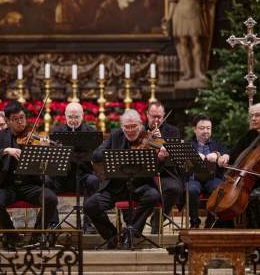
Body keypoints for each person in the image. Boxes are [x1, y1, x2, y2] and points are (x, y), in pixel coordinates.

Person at [84, 109, 162, 249]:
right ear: (121, 127)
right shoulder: (115, 136)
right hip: (116, 187)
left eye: (134, 126)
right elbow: (96, 155)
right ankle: (112, 235)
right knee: (90, 205)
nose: (131, 130)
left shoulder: (150, 138)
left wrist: (161, 155)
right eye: (127, 127)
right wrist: (112, 155)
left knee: (153, 195)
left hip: (140, 186)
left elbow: (160, 166)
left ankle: (131, 232)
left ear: (140, 125)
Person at [0, 101, 58, 247]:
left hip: (29, 185)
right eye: (15, 119)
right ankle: (12, 236)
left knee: (50, 198)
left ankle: (36, 236)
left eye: (22, 118)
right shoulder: (0, 137)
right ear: (7, 121)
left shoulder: (34, 136)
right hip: (7, 186)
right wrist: (6, 151)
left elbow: (47, 167)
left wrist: (44, 150)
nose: (20, 122)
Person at [48, 102, 99, 233]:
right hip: (62, 177)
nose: (73, 120)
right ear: (65, 116)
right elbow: (52, 162)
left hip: (83, 175)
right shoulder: (56, 132)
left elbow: (97, 156)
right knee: (46, 182)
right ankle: (53, 223)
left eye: (76, 117)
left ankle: (88, 223)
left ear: (82, 116)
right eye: (70, 117)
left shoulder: (91, 132)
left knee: (93, 180)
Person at [218, 103, 260, 228]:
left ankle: (255, 235)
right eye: (251, 116)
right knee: (222, 196)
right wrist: (226, 156)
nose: (253, 119)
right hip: (247, 181)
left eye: (257, 116)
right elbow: (234, 151)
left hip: (256, 182)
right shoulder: (250, 135)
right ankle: (224, 233)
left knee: (254, 197)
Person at [145, 101, 184, 234]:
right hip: (143, 173)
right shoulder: (138, 130)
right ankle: (133, 227)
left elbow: (175, 159)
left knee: (174, 189)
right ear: (147, 115)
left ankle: (158, 219)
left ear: (164, 116)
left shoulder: (173, 131)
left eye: (159, 117)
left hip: (165, 172)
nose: (156, 120)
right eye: (153, 116)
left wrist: (161, 141)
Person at [165, 0, 217, 82]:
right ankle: (187, 71)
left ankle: (198, 71)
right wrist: (168, 17)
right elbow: (173, 2)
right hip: (180, 13)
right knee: (183, 42)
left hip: (195, 12)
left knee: (196, 40)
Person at [189, 115, 229, 228]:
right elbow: (182, 165)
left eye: (208, 128)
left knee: (218, 188)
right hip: (194, 178)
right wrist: (194, 157)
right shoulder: (188, 145)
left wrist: (219, 156)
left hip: (213, 177)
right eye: (202, 128)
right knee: (192, 189)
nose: (205, 131)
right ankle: (194, 222)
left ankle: (210, 221)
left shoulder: (218, 144)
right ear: (194, 129)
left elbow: (226, 155)